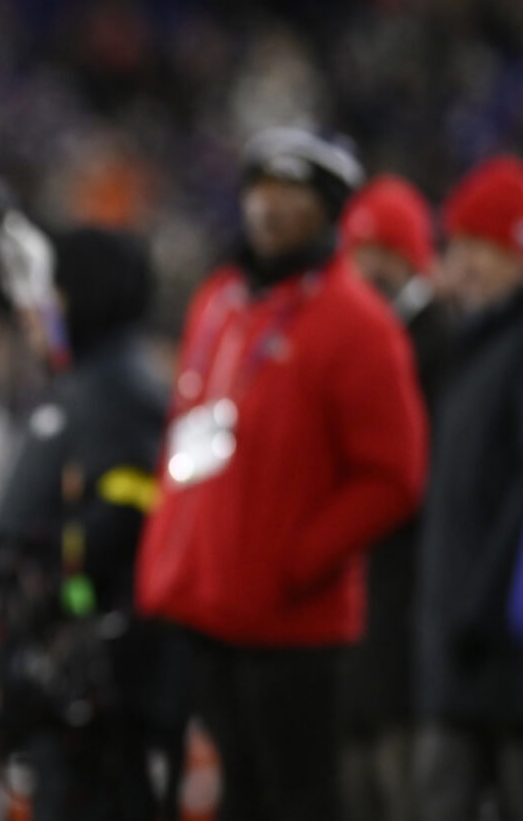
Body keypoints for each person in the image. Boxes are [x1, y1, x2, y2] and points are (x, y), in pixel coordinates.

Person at [135, 127, 426, 821]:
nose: (269, 207)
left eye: (290, 192)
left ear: (328, 209)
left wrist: (295, 561)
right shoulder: (221, 300)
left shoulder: (359, 322)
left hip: (295, 628)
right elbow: (191, 433)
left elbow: (396, 475)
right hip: (204, 604)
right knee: (231, 799)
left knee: (295, 801)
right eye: (260, 189)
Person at [0, 227, 185, 821]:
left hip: (103, 689)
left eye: (50, 297)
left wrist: (59, 599)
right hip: (74, 683)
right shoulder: (88, 385)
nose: (33, 316)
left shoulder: (118, 392)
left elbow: (117, 524)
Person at [336, 174, 450, 821]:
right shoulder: (372, 335)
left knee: (401, 780)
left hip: (407, 595)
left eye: (378, 252)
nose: (365, 267)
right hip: (366, 597)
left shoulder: (438, 341)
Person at [413, 154, 523, 821]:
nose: (461, 267)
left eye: (479, 247)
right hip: (461, 652)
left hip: (501, 650)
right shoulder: (475, 349)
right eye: (458, 248)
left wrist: (477, 606)